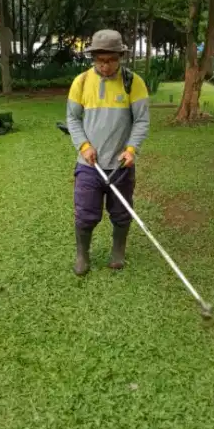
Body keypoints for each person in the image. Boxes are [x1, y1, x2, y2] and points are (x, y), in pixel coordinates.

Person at [66, 29, 150, 275]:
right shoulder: (80, 82)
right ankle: (82, 254)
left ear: (120, 57)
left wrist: (131, 149)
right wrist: (84, 146)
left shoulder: (134, 83)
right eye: (100, 60)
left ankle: (118, 250)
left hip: (121, 165)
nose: (105, 66)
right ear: (93, 57)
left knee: (121, 213)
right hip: (89, 164)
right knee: (85, 213)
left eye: (111, 60)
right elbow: (72, 119)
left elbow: (142, 121)